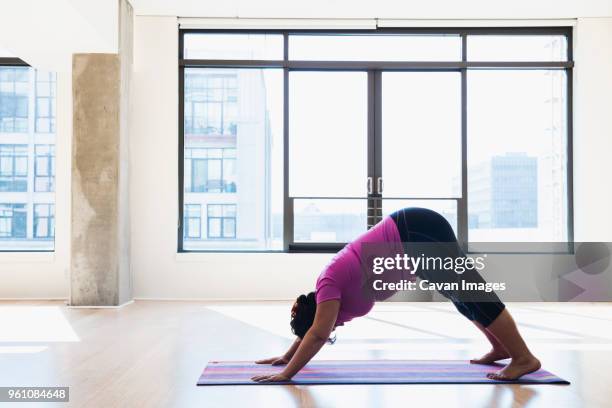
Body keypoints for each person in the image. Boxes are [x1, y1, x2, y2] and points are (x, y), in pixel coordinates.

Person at [252, 207, 541, 383]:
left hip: (415, 231)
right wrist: (286, 356)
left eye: (326, 327)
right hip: (413, 249)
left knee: (474, 294)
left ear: (318, 311)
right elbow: (313, 329)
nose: (333, 328)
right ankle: (502, 349)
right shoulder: (329, 304)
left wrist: (287, 373)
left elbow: (315, 333)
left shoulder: (328, 283)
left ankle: (523, 358)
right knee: (463, 300)